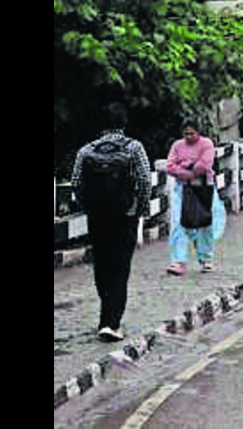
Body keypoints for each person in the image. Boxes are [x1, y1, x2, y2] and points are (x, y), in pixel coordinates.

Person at [70, 102, 152, 343]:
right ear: (124, 123)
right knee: (120, 268)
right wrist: (139, 210)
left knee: (102, 266)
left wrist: (89, 207)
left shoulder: (86, 151)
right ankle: (111, 322)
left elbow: (76, 183)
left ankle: (106, 315)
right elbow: (144, 182)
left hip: (98, 217)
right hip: (125, 216)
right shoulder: (134, 148)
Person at [165, 121, 223, 274]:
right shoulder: (177, 146)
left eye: (192, 133)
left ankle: (206, 258)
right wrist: (189, 170)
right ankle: (178, 261)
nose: (189, 136)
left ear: (198, 132)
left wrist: (183, 167)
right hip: (182, 189)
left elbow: (204, 166)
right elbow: (170, 166)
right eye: (186, 134)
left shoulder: (206, 144)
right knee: (179, 223)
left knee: (205, 222)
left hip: (203, 188)